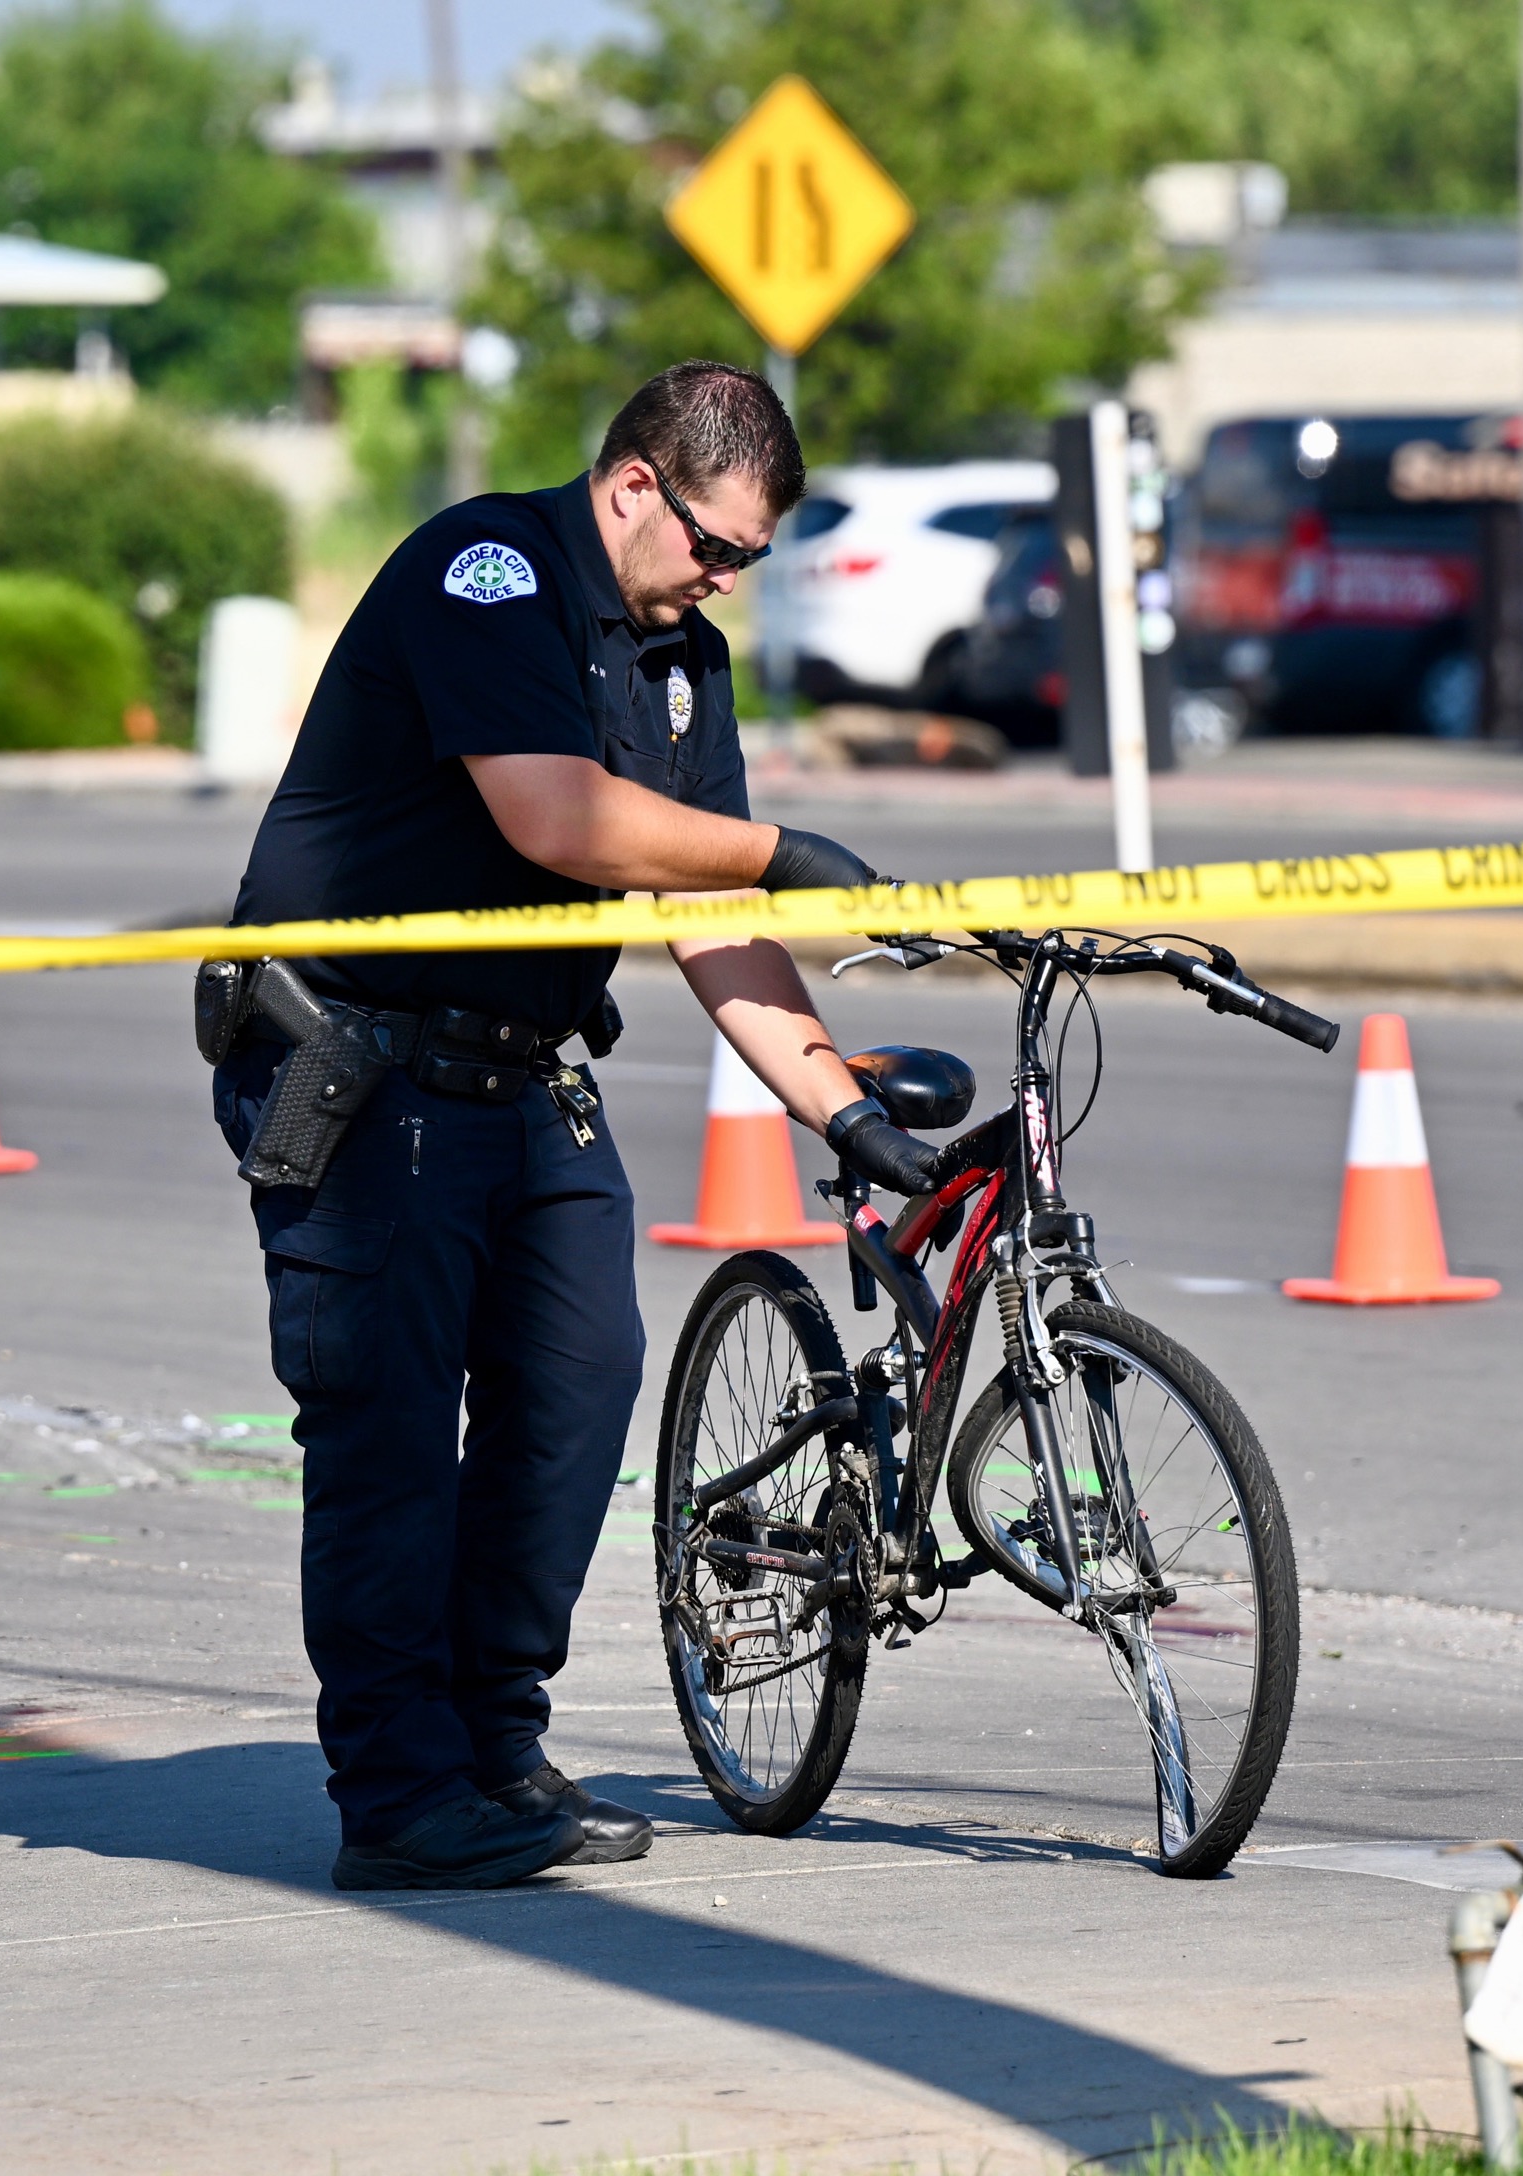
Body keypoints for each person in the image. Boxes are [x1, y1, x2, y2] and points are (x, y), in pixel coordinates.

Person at [213, 360, 937, 1892]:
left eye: (747, 562)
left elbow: (710, 913)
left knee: (577, 1395)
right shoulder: (490, 570)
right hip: (365, 1066)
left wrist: (839, 1107)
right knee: (391, 1436)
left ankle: (493, 1743)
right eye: (716, 548)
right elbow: (558, 817)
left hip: (524, 1070)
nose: (725, 582)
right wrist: (777, 846)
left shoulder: (683, 659)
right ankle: (401, 1795)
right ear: (633, 487)